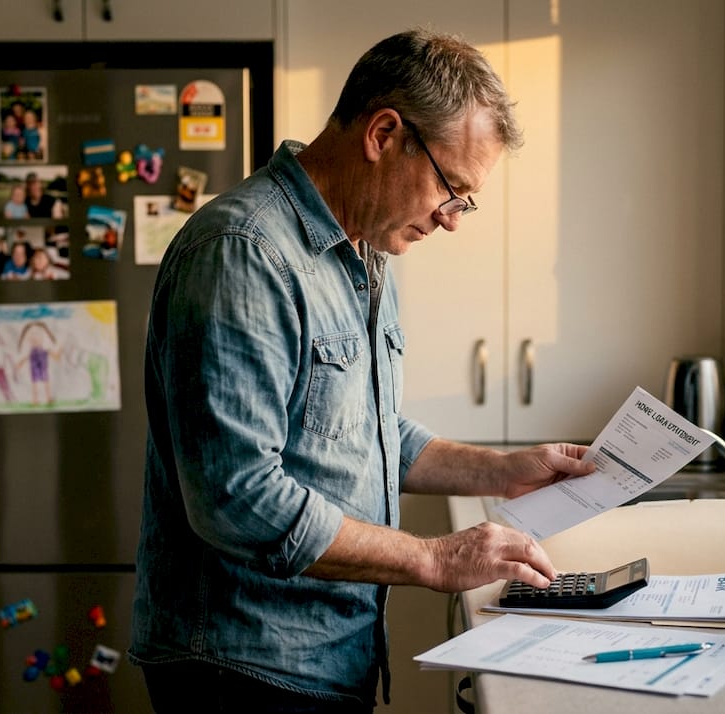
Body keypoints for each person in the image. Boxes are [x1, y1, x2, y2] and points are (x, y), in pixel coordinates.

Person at [130, 29, 596, 713]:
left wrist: (500, 469)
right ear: (384, 133)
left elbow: (366, 429)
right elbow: (238, 498)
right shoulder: (242, 254)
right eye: (452, 190)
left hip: (324, 654)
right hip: (242, 668)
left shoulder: (365, 251)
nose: (452, 220)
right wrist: (434, 559)